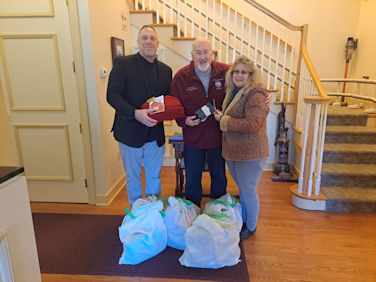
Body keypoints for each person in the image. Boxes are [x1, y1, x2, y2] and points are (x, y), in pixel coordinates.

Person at [107, 25, 172, 207]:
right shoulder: (123, 64)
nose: (148, 41)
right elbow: (112, 95)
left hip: (154, 133)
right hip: (129, 132)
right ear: (138, 42)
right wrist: (135, 113)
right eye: (144, 38)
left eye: (152, 38)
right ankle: (136, 215)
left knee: (154, 177)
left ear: (157, 43)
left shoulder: (166, 70)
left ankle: (153, 213)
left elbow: (167, 100)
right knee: (133, 177)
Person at [214, 56, 269, 240]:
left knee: (248, 190)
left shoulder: (257, 94)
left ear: (250, 75)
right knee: (243, 189)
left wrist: (223, 120)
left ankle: (251, 226)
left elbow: (252, 124)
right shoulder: (232, 91)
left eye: (243, 72)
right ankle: (245, 220)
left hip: (251, 153)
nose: (239, 75)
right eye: (236, 71)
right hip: (234, 151)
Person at [170, 38, 228, 207]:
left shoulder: (225, 72)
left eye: (206, 52)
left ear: (212, 53)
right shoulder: (181, 76)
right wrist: (184, 120)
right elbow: (174, 105)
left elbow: (245, 85)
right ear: (192, 54)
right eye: (198, 52)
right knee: (192, 179)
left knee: (219, 177)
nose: (202, 57)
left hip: (218, 138)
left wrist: (265, 94)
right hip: (193, 139)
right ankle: (192, 211)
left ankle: (217, 212)